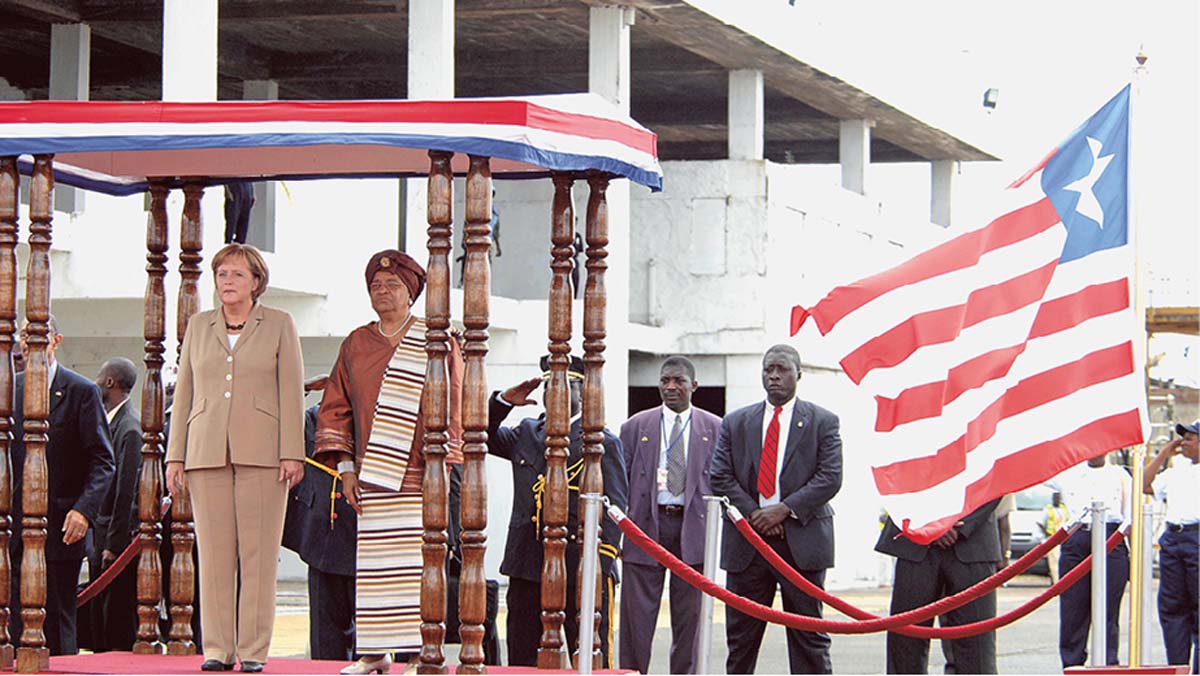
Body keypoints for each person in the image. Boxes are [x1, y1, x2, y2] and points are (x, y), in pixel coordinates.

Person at [313, 249, 464, 675]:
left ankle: (419, 656)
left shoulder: (436, 338)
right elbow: (336, 408)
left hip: (423, 471)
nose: (383, 292)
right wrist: (344, 469)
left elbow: (456, 401)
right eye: (376, 286)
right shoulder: (357, 343)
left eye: (392, 285)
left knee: (418, 566)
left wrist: (445, 462)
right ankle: (374, 655)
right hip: (372, 472)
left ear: (411, 293)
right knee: (374, 567)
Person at [165, 243, 305, 673]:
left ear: (256, 283)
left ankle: (254, 651)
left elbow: (291, 390)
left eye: (237, 275)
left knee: (259, 555)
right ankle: (217, 649)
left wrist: (291, 452)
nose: (228, 281)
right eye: (222, 274)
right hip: (205, 450)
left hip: (264, 453)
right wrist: (176, 456)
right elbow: (184, 392)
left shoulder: (280, 324)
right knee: (213, 553)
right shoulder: (198, 325)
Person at [487, 355, 628, 668]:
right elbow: (477, 431)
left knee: (591, 659)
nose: (555, 393)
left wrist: (598, 565)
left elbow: (616, 508)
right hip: (527, 566)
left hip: (580, 565)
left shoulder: (602, 441)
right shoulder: (526, 432)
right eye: (549, 386)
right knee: (522, 658)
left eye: (564, 386)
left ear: (581, 393)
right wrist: (504, 401)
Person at [709, 344, 842, 674]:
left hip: (802, 542)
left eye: (782, 369)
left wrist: (783, 510)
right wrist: (757, 516)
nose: (774, 376)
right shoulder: (737, 422)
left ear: (799, 374)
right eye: (768, 369)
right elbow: (720, 475)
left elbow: (830, 477)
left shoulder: (823, 421)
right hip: (748, 544)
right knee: (741, 640)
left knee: (808, 638)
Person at [8, 315, 115, 656]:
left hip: (62, 526)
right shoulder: (10, 387)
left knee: (57, 620)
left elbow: (103, 460)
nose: (30, 341)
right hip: (12, 528)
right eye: (25, 334)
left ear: (57, 340)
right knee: (11, 623)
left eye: (39, 334)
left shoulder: (81, 392)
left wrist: (84, 511)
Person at [617, 355, 720, 674]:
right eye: (665, 381)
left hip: (692, 529)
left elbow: (722, 479)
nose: (671, 387)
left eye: (678, 381)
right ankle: (633, 673)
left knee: (690, 619)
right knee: (637, 617)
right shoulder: (636, 426)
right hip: (647, 527)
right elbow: (620, 478)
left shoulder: (714, 427)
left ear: (694, 386)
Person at [875, 499, 1003, 674]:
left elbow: (994, 478)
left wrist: (956, 525)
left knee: (976, 648)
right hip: (914, 539)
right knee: (906, 645)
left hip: (973, 540)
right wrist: (932, 525)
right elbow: (897, 475)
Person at [1045, 452, 1132, 668]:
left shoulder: (1121, 476)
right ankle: (1072, 665)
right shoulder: (1070, 474)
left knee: (1108, 611)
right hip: (1078, 536)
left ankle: (1107, 665)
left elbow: (1130, 516)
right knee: (1073, 610)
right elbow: (1041, 469)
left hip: (1111, 537)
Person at [92, 357, 142, 652]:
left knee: (116, 612)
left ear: (110, 382)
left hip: (115, 536)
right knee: (102, 608)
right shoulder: (114, 423)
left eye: (100, 377)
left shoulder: (130, 428)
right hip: (103, 530)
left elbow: (127, 492)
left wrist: (114, 542)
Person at [1144, 420, 1199, 673]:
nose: (1183, 443)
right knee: (1172, 607)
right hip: (1173, 540)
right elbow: (1144, 484)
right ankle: (1178, 668)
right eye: (1183, 438)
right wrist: (1164, 453)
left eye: (1189, 438)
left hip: (1197, 538)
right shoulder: (1177, 470)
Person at [1039, 492, 1069, 584]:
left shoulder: (1065, 509)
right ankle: (1057, 583)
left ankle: (1063, 581)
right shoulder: (1048, 509)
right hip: (1053, 539)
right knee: (1054, 563)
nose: (1057, 499)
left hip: (1065, 538)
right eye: (1055, 497)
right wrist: (1045, 536)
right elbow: (1041, 523)